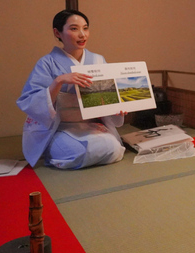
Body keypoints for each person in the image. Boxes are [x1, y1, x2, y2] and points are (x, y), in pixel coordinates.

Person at [17, 10, 125, 169]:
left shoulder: (97, 60)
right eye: (74, 29)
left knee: (114, 149)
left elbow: (106, 97)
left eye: (85, 28)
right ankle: (54, 150)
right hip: (60, 128)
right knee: (77, 152)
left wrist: (116, 107)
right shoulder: (47, 63)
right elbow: (30, 100)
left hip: (91, 125)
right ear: (57, 32)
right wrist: (58, 81)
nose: (82, 35)